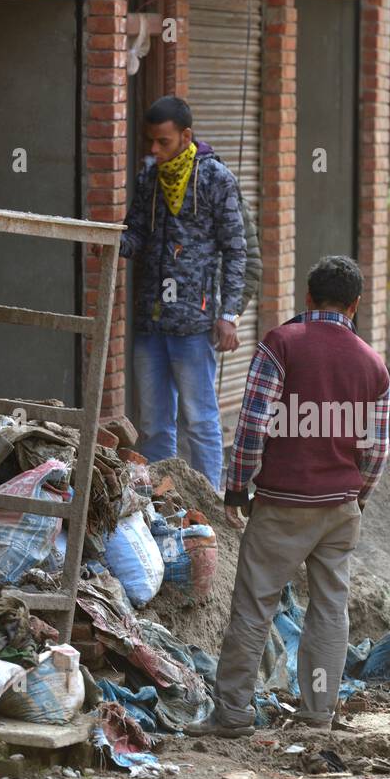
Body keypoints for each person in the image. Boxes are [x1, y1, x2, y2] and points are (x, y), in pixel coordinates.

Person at [187, 256, 390, 737]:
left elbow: (254, 424)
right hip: (339, 508)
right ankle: (318, 713)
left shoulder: (281, 344)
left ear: (307, 297)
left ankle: (233, 713)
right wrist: (355, 498)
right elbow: (376, 450)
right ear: (356, 305)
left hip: (282, 503)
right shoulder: (372, 364)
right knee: (329, 611)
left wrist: (238, 487)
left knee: (255, 607)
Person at [119, 95, 261, 489]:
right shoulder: (149, 178)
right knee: (153, 424)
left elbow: (237, 250)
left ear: (186, 136)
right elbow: (137, 235)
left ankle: (209, 503)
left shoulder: (217, 179)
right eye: (151, 141)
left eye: (162, 142)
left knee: (200, 420)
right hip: (150, 322)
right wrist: (107, 239)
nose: (153, 150)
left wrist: (229, 314)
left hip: (194, 326)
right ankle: (160, 507)